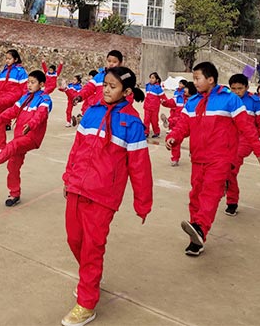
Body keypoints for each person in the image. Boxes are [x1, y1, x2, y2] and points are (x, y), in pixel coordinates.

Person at [61, 67, 152, 326]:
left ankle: (86, 304)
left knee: (92, 248)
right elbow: (77, 148)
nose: (107, 90)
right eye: (105, 85)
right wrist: (68, 177)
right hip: (77, 188)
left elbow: (140, 167)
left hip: (103, 197)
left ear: (127, 91)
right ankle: (90, 278)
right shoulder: (92, 111)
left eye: (113, 86)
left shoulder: (132, 123)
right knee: (74, 240)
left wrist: (142, 202)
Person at [165, 62, 260, 257]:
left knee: (210, 194)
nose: (194, 82)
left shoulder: (229, 99)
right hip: (198, 158)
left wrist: (259, 149)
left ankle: (200, 228)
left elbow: (246, 127)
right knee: (196, 196)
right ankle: (196, 239)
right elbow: (182, 126)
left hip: (221, 158)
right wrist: (173, 137)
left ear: (210, 79)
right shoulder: (192, 102)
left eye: (197, 78)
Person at [0, 70, 53, 206]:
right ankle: (14, 194)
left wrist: (31, 124)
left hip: (31, 137)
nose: (29, 85)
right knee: (13, 165)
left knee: (13, 145)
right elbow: (12, 111)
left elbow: (40, 114)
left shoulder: (45, 99)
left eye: (33, 82)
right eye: (28, 82)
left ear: (41, 84)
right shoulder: (25, 97)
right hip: (20, 135)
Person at [224, 73, 260, 216]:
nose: (237, 92)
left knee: (232, 167)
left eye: (240, 88)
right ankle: (227, 192)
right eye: (233, 89)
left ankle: (232, 202)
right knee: (225, 170)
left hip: (245, 140)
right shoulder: (226, 100)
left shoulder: (255, 102)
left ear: (247, 87)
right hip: (227, 139)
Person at [72, 51, 124, 125]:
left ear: (120, 63)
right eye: (109, 61)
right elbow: (88, 88)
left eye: (114, 62)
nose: (111, 64)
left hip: (115, 112)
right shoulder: (99, 77)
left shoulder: (123, 78)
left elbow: (128, 96)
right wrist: (80, 96)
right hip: (99, 111)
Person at [161, 81, 196, 166]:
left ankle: (169, 123)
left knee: (196, 140)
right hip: (180, 122)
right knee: (175, 139)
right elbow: (171, 102)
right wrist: (164, 102)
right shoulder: (179, 97)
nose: (184, 89)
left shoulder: (197, 101)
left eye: (186, 87)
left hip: (191, 123)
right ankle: (175, 158)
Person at [143, 72, 164, 140]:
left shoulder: (158, 88)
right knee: (146, 120)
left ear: (157, 80)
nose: (151, 79)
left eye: (153, 78)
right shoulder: (147, 86)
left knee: (154, 121)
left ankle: (156, 132)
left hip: (154, 108)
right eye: (150, 78)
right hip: (147, 107)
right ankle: (146, 132)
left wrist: (165, 102)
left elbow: (163, 97)